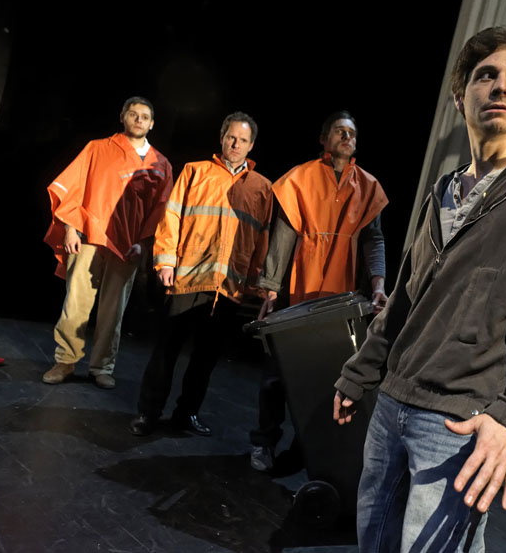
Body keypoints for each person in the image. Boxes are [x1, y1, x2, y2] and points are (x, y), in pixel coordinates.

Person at [333, 26, 506, 551]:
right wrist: (360, 372)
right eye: (486, 75)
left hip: (457, 424)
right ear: (460, 97)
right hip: (392, 404)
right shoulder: (442, 192)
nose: (500, 86)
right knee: (372, 543)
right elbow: (405, 299)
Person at [249, 111, 388, 470]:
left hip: (340, 299)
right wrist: (270, 290)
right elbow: (283, 236)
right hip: (298, 289)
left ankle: (304, 450)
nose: (347, 137)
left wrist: (378, 284)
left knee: (327, 377)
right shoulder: (302, 178)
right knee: (277, 374)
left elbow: (373, 240)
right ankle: (264, 443)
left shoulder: (368, 186)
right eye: (339, 132)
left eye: (352, 133)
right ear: (324, 139)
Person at [129, 112, 272, 437]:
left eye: (243, 140)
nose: (235, 144)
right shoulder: (196, 171)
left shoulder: (261, 188)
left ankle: (186, 414)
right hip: (188, 278)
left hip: (228, 288)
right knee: (166, 350)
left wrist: (255, 284)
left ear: (252, 145)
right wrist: (166, 262)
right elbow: (172, 216)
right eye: (231, 137)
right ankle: (148, 413)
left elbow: (261, 239)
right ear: (222, 137)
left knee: (206, 358)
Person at [42, 97, 173, 389]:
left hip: (128, 245)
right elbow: (74, 186)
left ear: (152, 124)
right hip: (90, 236)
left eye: (144, 116)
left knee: (114, 310)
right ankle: (65, 361)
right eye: (133, 114)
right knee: (76, 303)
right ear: (123, 117)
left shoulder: (161, 163)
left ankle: (102, 366)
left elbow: (161, 210)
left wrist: (144, 244)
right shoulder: (98, 148)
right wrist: (71, 229)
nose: (138, 120)